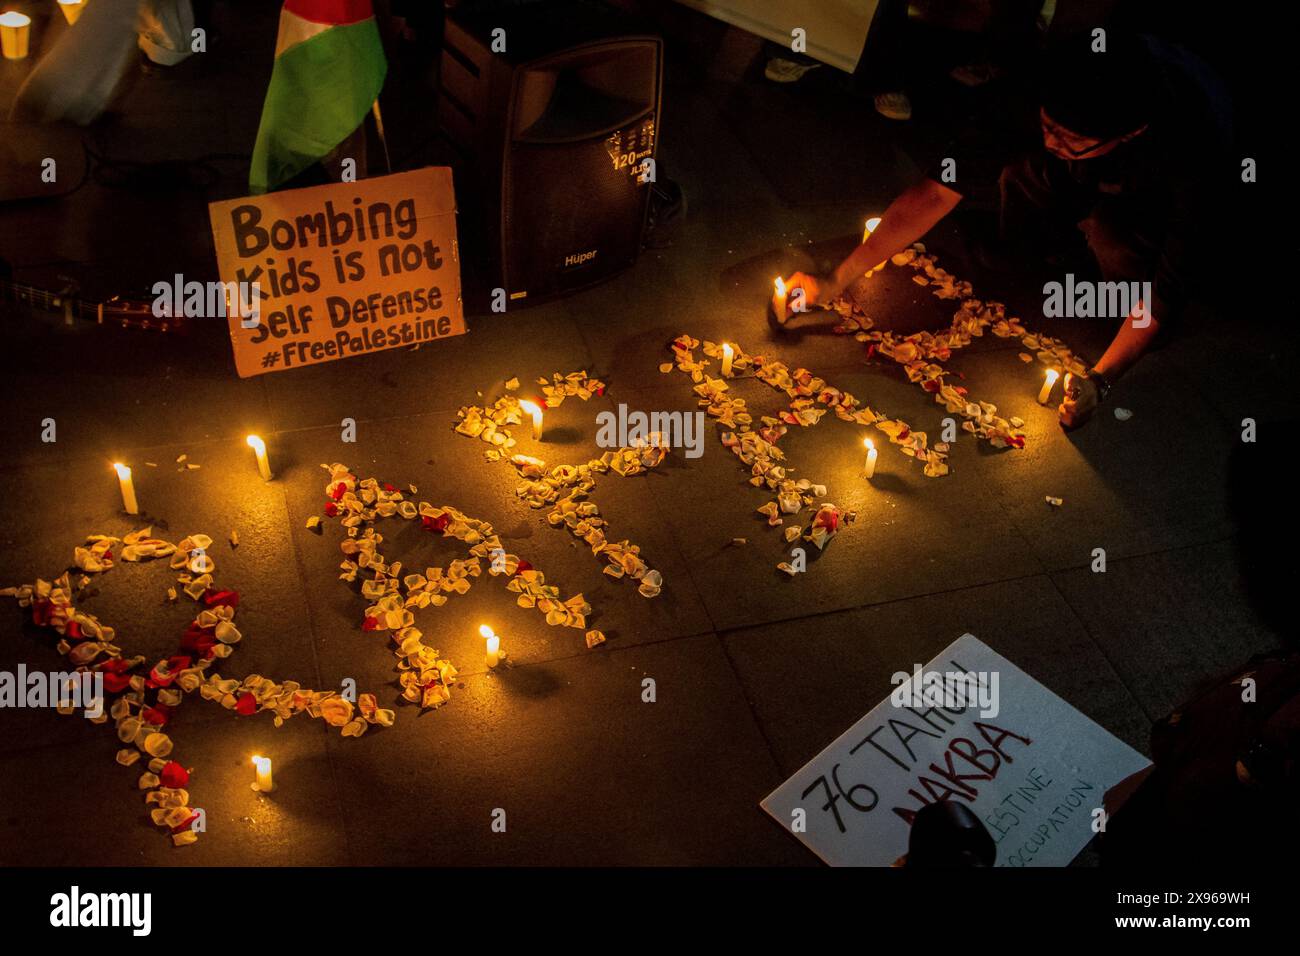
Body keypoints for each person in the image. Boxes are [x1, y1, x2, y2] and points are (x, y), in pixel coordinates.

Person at [774, 31, 1232, 429]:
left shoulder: (1189, 154)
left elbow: (1163, 294)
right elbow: (935, 193)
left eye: (1071, 139)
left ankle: (1104, 266)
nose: (1053, 141)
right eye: (1049, 126)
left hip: (1154, 195)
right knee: (1023, 173)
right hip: (1094, 157)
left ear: (1128, 135)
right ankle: (1047, 249)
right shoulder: (1034, 90)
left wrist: (1100, 381)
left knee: (1119, 248)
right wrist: (837, 279)